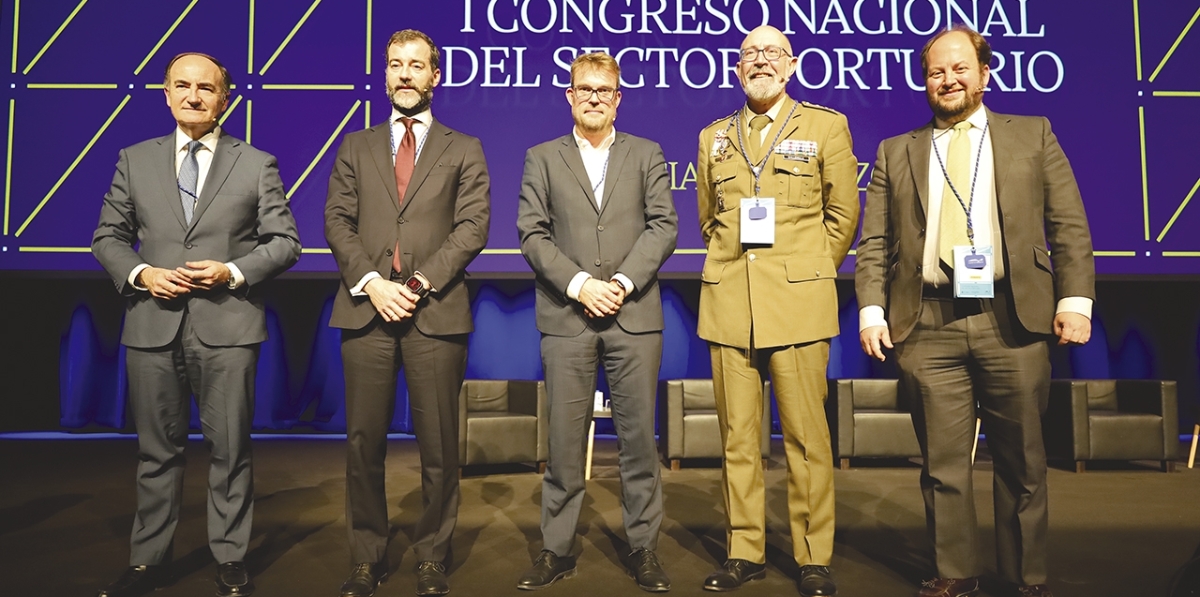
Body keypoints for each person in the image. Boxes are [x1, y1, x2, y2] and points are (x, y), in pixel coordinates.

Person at [855, 26, 1094, 597]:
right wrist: (871, 312)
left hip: (1013, 319)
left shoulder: (1033, 135)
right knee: (943, 465)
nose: (948, 80)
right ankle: (956, 571)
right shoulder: (897, 150)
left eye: (960, 68)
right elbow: (875, 242)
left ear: (984, 74)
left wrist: (1075, 299)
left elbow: (1068, 224)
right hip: (928, 324)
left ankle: (1024, 576)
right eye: (937, 72)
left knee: (1023, 463)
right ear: (924, 81)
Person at [91, 52, 301, 597]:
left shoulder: (257, 163)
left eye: (205, 88)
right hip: (151, 326)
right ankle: (147, 561)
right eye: (181, 86)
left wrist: (232, 271)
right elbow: (107, 238)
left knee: (230, 450)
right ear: (165, 94)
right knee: (156, 451)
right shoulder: (134, 160)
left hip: (228, 329)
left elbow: (285, 244)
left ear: (224, 98)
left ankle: (229, 557)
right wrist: (141, 274)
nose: (193, 96)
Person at [324, 29, 490, 597]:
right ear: (385, 74)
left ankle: (431, 556)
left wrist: (416, 284)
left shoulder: (463, 147)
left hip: (435, 311)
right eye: (395, 65)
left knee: (440, 446)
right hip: (365, 310)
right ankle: (366, 556)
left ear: (434, 76)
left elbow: (473, 228)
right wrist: (373, 284)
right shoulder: (355, 145)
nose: (404, 75)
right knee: (362, 443)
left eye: (416, 66)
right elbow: (337, 222)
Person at [694, 25, 858, 597]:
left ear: (791, 67)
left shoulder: (825, 125)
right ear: (738, 69)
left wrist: (808, 268)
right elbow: (709, 219)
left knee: (807, 440)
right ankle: (745, 551)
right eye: (749, 55)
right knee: (738, 439)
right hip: (729, 303)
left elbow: (842, 215)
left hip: (799, 304)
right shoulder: (713, 135)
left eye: (771, 54)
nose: (760, 62)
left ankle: (813, 557)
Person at [514, 51, 678, 593]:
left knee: (638, 442)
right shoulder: (541, 157)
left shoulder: (648, 153)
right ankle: (556, 550)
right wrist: (582, 285)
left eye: (603, 91)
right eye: (583, 89)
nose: (593, 98)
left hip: (634, 315)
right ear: (569, 95)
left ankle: (643, 549)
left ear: (618, 98)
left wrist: (622, 283)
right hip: (567, 316)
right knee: (563, 442)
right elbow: (532, 233)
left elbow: (663, 225)